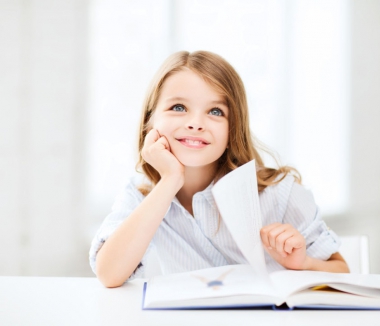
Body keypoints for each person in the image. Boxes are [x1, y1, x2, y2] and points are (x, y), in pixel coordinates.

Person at [89, 50, 349, 288]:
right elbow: (109, 274)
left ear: (232, 128)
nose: (195, 123)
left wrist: (303, 264)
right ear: (150, 121)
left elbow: (343, 272)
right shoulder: (141, 196)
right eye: (178, 107)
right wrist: (170, 180)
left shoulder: (279, 194)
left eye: (215, 111)